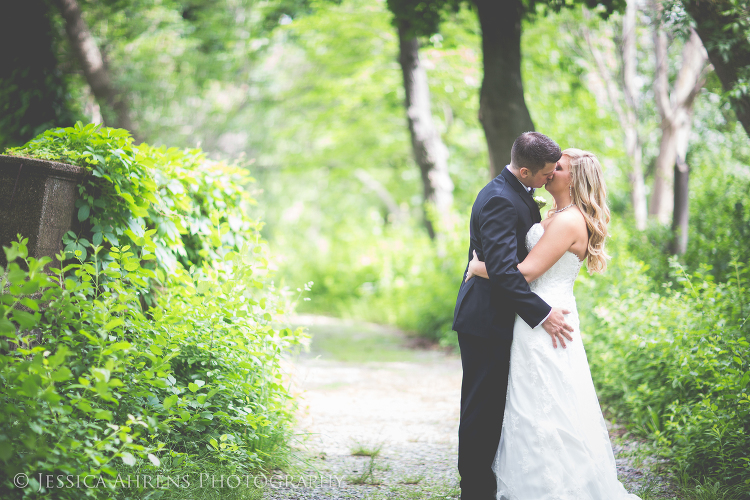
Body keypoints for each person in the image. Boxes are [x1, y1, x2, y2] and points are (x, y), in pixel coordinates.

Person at [464, 148, 641, 499]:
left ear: (573, 178)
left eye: (557, 168)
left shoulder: (568, 220)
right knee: (529, 404)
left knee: (548, 404)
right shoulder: (555, 214)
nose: (549, 171)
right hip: (535, 317)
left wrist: (475, 268)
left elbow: (527, 272)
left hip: (548, 321)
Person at [452, 132, 574, 500]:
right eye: (546, 173)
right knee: (482, 409)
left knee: (499, 406)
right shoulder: (500, 199)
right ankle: (474, 490)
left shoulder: (517, 192)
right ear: (524, 170)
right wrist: (542, 314)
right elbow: (505, 271)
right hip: (485, 318)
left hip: (502, 316)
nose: (549, 178)